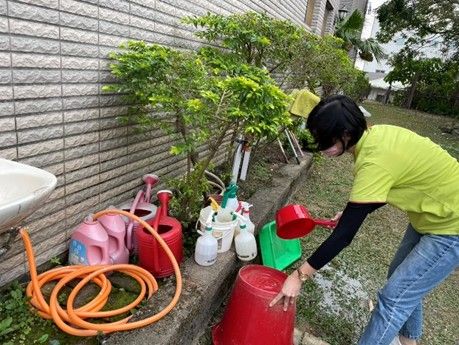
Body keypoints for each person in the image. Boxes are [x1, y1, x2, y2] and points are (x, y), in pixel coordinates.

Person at [269, 95, 459, 345]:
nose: (320, 145)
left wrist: (299, 276)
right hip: (436, 214)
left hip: (450, 227)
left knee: (394, 298)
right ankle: (409, 342)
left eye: (324, 138)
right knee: (402, 283)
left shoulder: (373, 160)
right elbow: (387, 186)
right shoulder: (376, 136)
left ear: (345, 133)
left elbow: (344, 236)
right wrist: (351, 213)